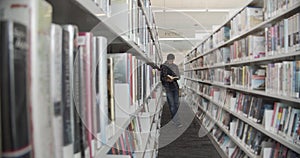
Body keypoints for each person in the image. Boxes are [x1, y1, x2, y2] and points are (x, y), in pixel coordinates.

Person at [160, 53, 182, 127]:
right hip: (168, 87)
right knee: (172, 105)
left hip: (175, 87)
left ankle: (173, 118)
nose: (171, 62)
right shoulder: (163, 67)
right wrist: (167, 79)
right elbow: (161, 78)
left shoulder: (175, 66)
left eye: (172, 60)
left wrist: (175, 78)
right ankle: (177, 122)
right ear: (167, 59)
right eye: (170, 61)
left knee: (176, 104)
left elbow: (178, 76)